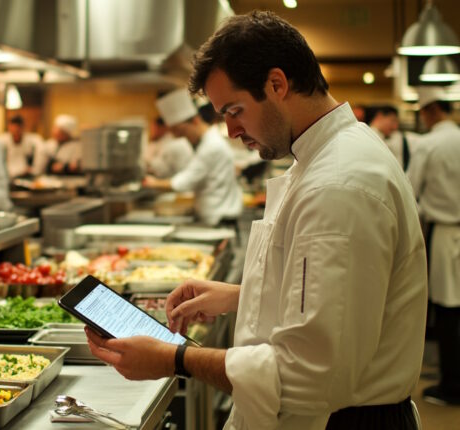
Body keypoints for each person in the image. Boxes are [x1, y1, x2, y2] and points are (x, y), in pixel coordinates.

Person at [86, 11, 426, 430]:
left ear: (277, 84)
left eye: (234, 109)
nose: (230, 131)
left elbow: (307, 376)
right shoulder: (329, 155)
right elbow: (338, 297)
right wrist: (241, 294)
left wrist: (174, 358)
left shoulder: (338, 182)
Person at [406, 87, 460, 406]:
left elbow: (408, 190)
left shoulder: (429, 144)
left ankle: (453, 385)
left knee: (448, 311)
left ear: (429, 112)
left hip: (444, 234)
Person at [143, 89, 242, 226]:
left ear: (195, 121)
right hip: (217, 215)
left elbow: (184, 182)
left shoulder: (211, 147)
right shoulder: (208, 142)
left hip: (219, 218)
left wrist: (152, 183)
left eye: (183, 132)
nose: (184, 139)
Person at [366, 105, 412, 170]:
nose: (395, 127)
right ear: (380, 116)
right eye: (393, 120)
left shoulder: (396, 137)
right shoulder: (366, 135)